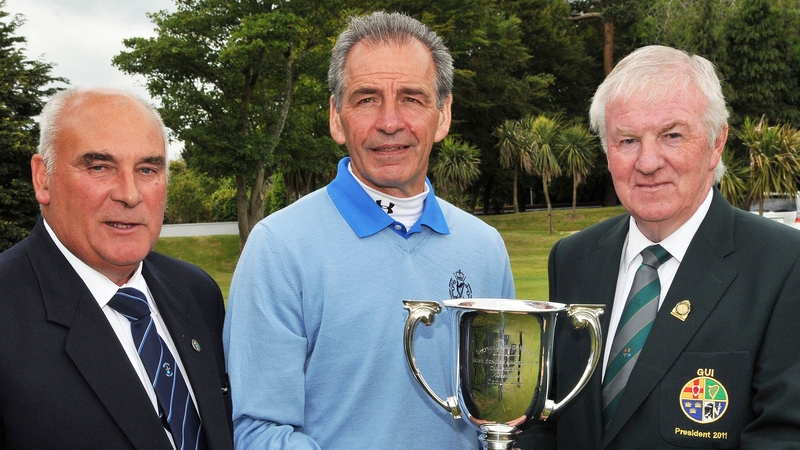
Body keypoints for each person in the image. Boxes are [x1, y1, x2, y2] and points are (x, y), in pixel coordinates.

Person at [223, 11, 515, 449]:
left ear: (444, 115)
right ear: (337, 118)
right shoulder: (279, 249)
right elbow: (259, 431)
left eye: (413, 98)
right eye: (366, 99)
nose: (390, 121)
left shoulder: (485, 248)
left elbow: (500, 410)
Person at [517, 45, 800, 449]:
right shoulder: (573, 259)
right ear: (607, 150)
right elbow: (551, 418)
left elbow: (784, 437)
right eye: (628, 140)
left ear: (716, 142)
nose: (647, 162)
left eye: (672, 135)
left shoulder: (785, 265)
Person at [0, 87, 234, 450]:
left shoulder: (196, 292)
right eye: (99, 167)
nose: (130, 193)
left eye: (147, 168)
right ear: (42, 177)